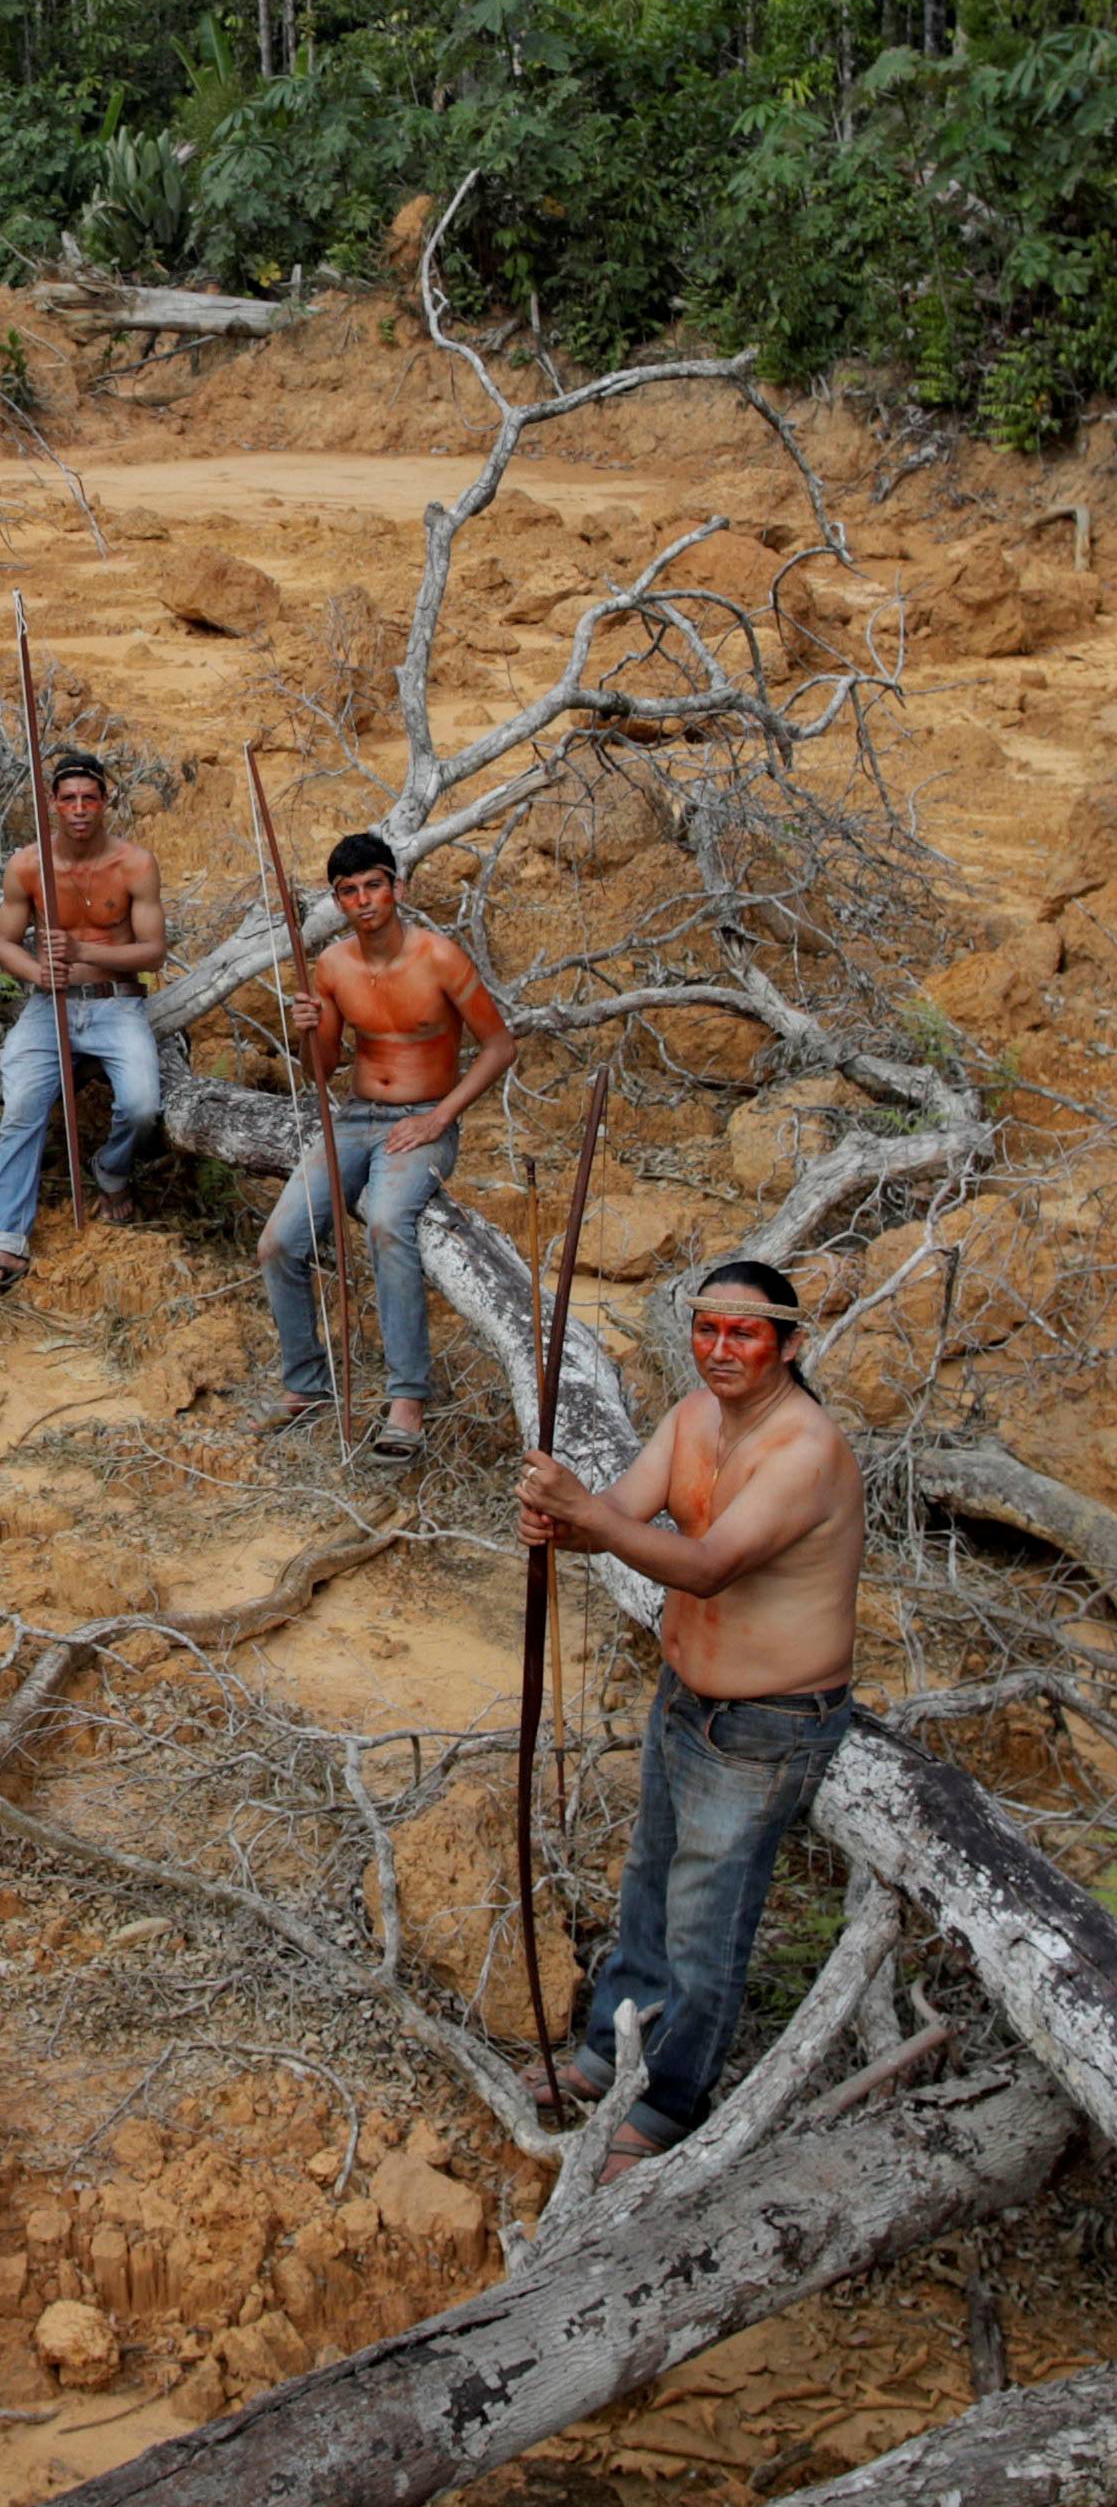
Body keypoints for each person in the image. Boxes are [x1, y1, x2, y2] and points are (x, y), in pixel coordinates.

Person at [516, 1257, 863, 2179]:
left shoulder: (805, 1450)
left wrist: (585, 1512)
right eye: (707, 1329)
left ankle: (672, 2100)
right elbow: (621, 1513)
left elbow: (708, 1565)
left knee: (709, 1918)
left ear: (788, 1343)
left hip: (768, 1722)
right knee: (650, 1886)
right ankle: (608, 2051)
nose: (719, 1349)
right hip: (686, 1700)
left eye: (743, 1333)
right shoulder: (692, 1417)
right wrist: (563, 1517)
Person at [257, 830, 515, 1461]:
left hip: (425, 1116)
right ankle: (307, 1385)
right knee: (278, 1242)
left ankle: (407, 1401)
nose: (364, 900)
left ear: (397, 888)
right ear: (338, 902)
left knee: (388, 1225)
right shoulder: (334, 966)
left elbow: (500, 1047)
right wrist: (310, 1032)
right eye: (349, 891)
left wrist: (440, 1119)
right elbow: (320, 1069)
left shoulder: (440, 958)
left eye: (374, 885)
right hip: (354, 1116)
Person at [0, 751, 167, 1279]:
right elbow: (4, 942)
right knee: (22, 1103)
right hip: (49, 1007)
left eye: (88, 798)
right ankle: (7, 1235)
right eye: (68, 799)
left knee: (142, 1105)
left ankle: (111, 1168)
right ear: (52, 804)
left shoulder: (135, 864)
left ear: (104, 802)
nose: (78, 809)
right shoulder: (28, 864)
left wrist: (81, 953)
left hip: (116, 1004)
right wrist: (36, 973)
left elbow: (153, 952)